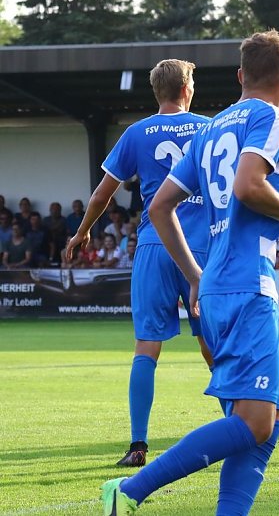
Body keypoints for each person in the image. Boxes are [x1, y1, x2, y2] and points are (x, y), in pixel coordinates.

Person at [101, 30, 279, 515]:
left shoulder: (210, 129)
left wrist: (195, 274)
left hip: (216, 283)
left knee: (262, 423)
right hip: (247, 284)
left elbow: (159, 207)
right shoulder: (272, 116)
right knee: (256, 423)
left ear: (241, 75)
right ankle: (129, 491)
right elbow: (247, 186)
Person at [68, 58, 213, 469]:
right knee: (212, 344)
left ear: (156, 91)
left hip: (154, 244)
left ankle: (137, 445)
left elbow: (101, 195)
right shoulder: (210, 127)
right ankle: (239, 427)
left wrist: (82, 232)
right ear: (187, 88)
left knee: (147, 347)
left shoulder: (137, 132)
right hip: (201, 248)